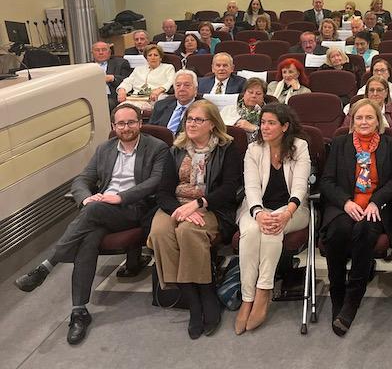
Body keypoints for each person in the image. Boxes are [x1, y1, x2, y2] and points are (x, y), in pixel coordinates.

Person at [14, 103, 171, 345]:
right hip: (101, 210)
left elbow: (156, 181)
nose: (126, 127)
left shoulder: (157, 147)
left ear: (140, 123)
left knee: (93, 212)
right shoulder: (104, 149)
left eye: (131, 122)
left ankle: (46, 266)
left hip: (134, 208)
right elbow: (82, 179)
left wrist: (119, 197)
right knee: (88, 238)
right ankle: (79, 311)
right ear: (113, 126)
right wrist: (86, 196)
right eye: (121, 123)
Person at [148, 100, 243, 339]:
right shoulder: (176, 149)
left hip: (211, 207)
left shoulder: (227, 148)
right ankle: (192, 299)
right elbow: (163, 191)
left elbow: (230, 189)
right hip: (177, 206)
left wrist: (198, 204)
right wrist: (179, 211)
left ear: (212, 124)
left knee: (188, 232)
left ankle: (206, 294)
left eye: (198, 119)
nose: (192, 123)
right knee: (160, 232)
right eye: (189, 119)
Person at [319, 99, 392, 336]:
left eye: (369, 117)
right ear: (352, 121)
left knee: (365, 231)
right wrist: (346, 203)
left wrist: (376, 201)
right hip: (345, 204)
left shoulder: (389, 144)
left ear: (378, 121)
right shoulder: (339, 143)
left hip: (375, 206)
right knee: (338, 232)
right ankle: (337, 293)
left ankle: (353, 299)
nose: (364, 122)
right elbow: (326, 181)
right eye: (359, 118)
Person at [235, 103, 311, 334]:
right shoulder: (254, 149)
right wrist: (258, 212)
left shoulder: (300, 147)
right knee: (250, 233)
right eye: (262, 123)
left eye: (271, 123)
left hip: (293, 210)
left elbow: (300, 187)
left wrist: (286, 213)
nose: (264, 127)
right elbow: (251, 187)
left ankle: (263, 291)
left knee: (273, 230)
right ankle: (247, 298)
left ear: (285, 126)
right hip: (256, 208)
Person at [344, 75, 392, 143]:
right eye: (371, 90)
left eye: (379, 90)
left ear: (386, 92)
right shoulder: (355, 108)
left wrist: (389, 145)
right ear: (367, 93)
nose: (375, 94)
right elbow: (345, 131)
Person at [150, 69, 199, 134]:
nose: (182, 89)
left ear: (195, 89)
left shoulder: (203, 109)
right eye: (178, 85)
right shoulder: (160, 105)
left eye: (187, 85)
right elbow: (150, 131)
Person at [92, 40, 131, 109]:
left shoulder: (121, 63)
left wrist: (113, 78)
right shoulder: (86, 67)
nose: (101, 53)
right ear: (92, 53)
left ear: (109, 52)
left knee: (105, 104)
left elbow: (129, 80)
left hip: (112, 96)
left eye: (104, 50)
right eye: (97, 50)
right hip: (93, 96)